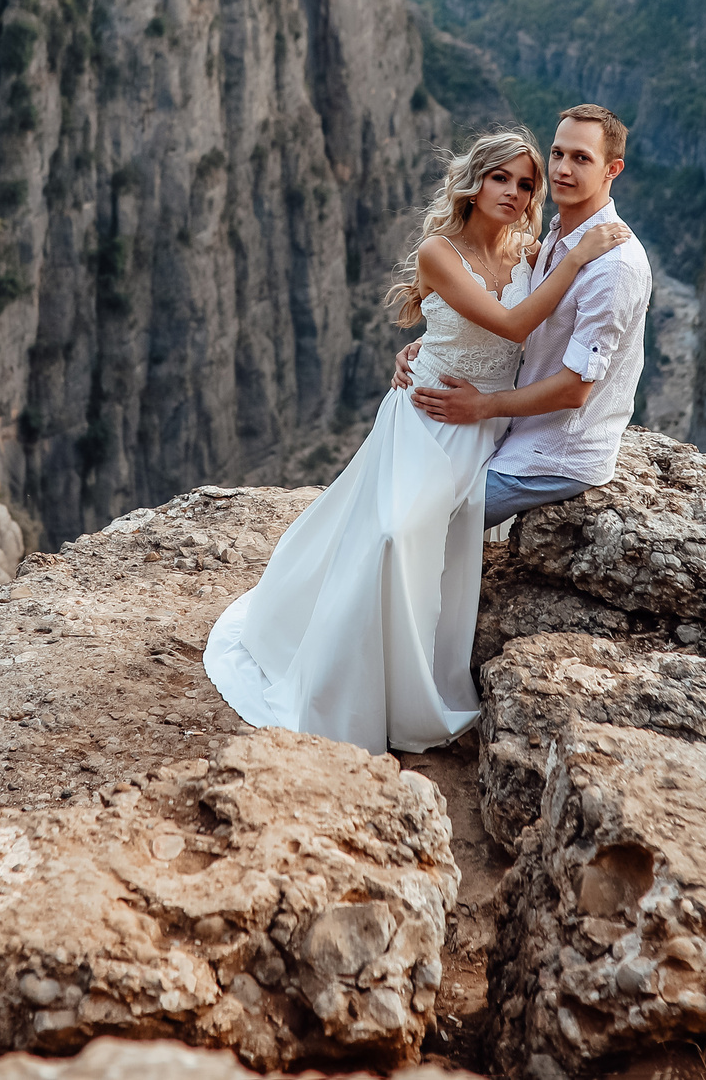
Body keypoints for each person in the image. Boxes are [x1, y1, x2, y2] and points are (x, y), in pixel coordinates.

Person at [202, 127, 633, 753]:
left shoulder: (529, 252)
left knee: (426, 538)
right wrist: (575, 256)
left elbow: (520, 337)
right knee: (391, 533)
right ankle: (350, 688)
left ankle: (413, 682)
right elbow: (512, 323)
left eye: (525, 184)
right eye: (500, 178)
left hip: (485, 424)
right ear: (474, 183)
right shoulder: (439, 251)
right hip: (427, 416)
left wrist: (438, 344)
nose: (513, 193)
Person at [400, 104, 653, 528]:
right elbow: (503, 317)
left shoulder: (613, 266)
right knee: (402, 501)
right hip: (517, 432)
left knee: (425, 522)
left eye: (581, 158)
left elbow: (574, 390)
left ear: (612, 169)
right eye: (557, 153)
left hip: (554, 454)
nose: (563, 169)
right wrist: (432, 344)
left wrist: (482, 407)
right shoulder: (554, 239)